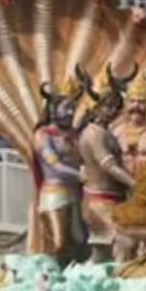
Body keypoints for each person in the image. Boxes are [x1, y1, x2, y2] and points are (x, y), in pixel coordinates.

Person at [76, 65, 139, 263]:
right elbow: (108, 165)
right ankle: (119, 286)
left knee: (102, 253)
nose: (112, 111)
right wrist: (134, 183)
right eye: (108, 106)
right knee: (126, 242)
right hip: (100, 202)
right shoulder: (93, 133)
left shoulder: (105, 132)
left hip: (110, 199)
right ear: (96, 106)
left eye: (116, 107)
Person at [33, 78, 85, 259]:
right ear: (54, 110)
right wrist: (80, 175)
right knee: (58, 243)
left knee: (79, 243)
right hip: (54, 195)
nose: (71, 112)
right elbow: (55, 165)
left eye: (73, 108)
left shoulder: (76, 135)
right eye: (66, 108)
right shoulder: (43, 135)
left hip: (76, 195)